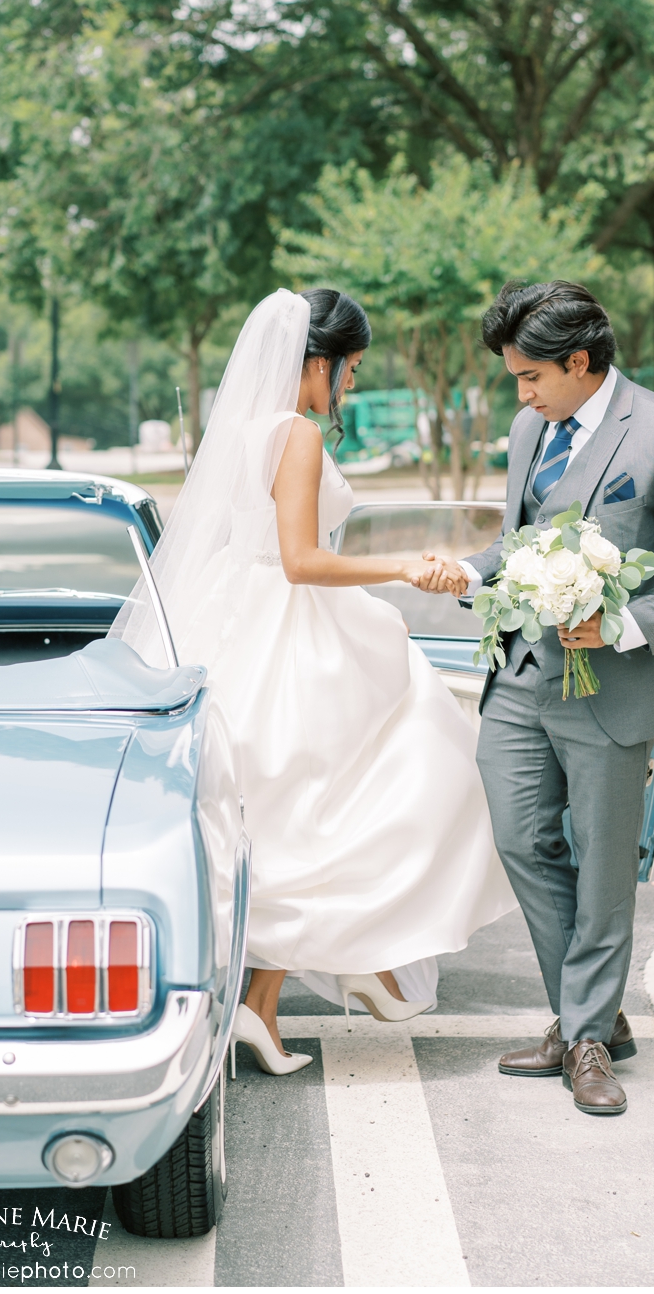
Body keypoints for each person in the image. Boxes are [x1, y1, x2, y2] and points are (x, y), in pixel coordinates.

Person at [111, 288, 518, 1079]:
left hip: (240, 619)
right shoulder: (295, 434)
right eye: (353, 370)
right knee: (414, 767)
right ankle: (360, 952)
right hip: (291, 620)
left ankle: (267, 1006)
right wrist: (403, 565)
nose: (352, 388)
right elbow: (302, 560)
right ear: (318, 362)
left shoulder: (243, 431)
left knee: (291, 813)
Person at [452, 281, 654, 1118]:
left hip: (611, 685)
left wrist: (620, 627)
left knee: (605, 864)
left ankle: (580, 1036)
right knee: (520, 838)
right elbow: (520, 537)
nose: (522, 395)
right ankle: (593, 1017)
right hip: (522, 677)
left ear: (580, 362)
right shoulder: (527, 430)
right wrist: (471, 573)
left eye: (531, 377)